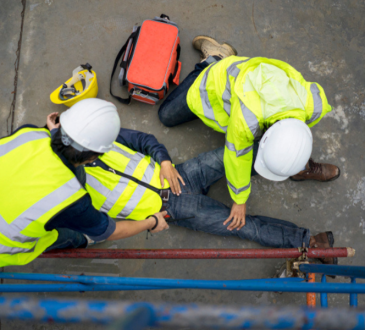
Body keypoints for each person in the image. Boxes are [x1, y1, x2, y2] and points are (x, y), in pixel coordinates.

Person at [80, 125, 338, 264]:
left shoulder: (91, 135)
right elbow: (103, 230)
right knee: (244, 226)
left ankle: (297, 166)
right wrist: (151, 222)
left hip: (180, 174)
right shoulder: (70, 196)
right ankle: (311, 242)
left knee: (238, 155)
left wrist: (165, 162)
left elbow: (143, 140)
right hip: (174, 210)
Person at [158, 36, 341, 233]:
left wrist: (295, 156)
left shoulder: (314, 104)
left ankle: (300, 167)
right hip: (214, 83)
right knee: (166, 116)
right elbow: (237, 158)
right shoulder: (245, 121)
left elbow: (297, 135)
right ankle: (215, 58)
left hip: (252, 88)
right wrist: (240, 200)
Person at [0, 98, 169, 268]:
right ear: (93, 157)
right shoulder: (72, 200)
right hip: (6, 246)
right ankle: (83, 240)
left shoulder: (29, 133)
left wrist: (54, 134)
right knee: (65, 234)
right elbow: (110, 232)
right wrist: (152, 222)